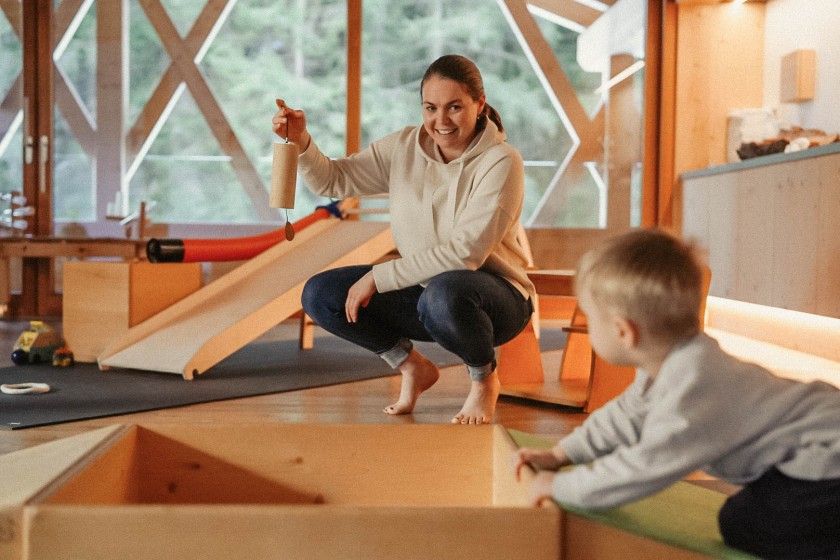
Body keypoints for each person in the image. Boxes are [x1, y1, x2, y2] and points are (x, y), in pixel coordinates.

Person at [512, 228, 840, 559]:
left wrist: (559, 487)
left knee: (742, 523)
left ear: (623, 331)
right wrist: (561, 454)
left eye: (592, 320)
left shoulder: (692, 390)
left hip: (828, 458)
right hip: (812, 450)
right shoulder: (674, 363)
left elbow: (640, 469)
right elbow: (625, 415)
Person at [271, 54, 535, 425]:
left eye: (455, 107)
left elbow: (466, 254)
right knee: (320, 294)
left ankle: (483, 379)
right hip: (429, 294)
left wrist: (377, 277)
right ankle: (412, 367)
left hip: (495, 301)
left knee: (446, 292)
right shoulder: (405, 146)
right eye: (431, 107)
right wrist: (300, 141)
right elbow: (332, 181)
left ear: (480, 103)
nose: (440, 121)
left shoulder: (501, 161)